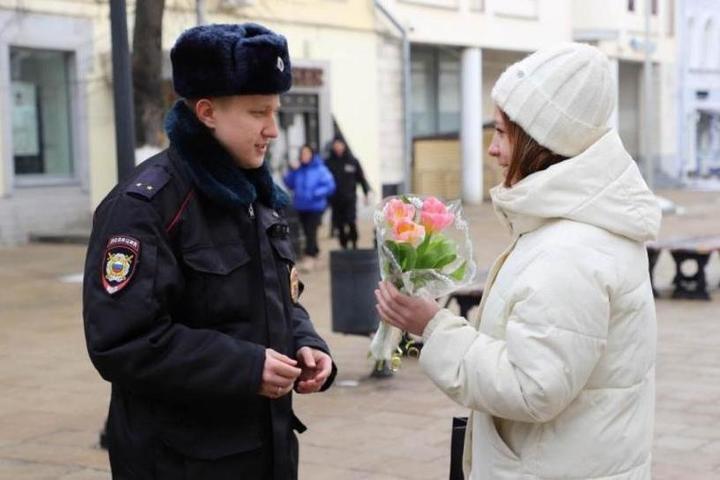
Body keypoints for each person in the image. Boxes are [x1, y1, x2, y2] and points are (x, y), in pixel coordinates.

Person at [375, 43, 661, 480]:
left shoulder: (571, 249)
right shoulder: (576, 226)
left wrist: (433, 327)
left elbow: (533, 388)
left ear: (544, 143)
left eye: (504, 133)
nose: (491, 148)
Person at [83, 23, 336, 480]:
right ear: (207, 112)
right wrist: (245, 366)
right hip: (180, 461)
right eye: (259, 112)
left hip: (265, 452)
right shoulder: (145, 206)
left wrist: (306, 343)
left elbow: (279, 294)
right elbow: (122, 341)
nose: (273, 130)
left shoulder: (255, 193)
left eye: (275, 111)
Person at [283, 145, 336, 272]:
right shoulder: (298, 170)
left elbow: (330, 185)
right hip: (301, 206)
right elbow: (289, 183)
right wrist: (291, 170)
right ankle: (315, 250)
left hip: (315, 206)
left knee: (311, 231)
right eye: (303, 153)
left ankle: (310, 256)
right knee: (307, 231)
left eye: (307, 153)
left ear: (312, 155)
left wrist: (316, 194)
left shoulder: (320, 169)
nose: (304, 156)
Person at [325, 137, 371, 249]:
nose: (338, 147)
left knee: (351, 221)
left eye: (340, 144)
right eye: (335, 145)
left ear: (344, 145)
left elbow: (361, 178)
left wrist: (366, 193)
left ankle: (354, 243)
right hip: (335, 199)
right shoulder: (328, 162)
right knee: (339, 224)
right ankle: (343, 246)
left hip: (350, 198)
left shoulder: (353, 161)